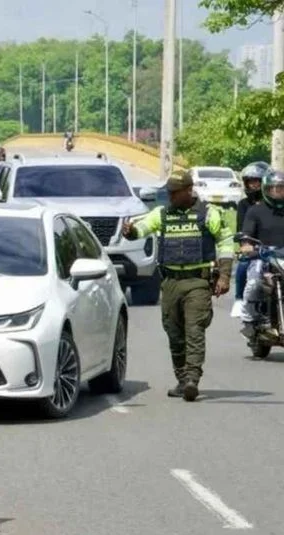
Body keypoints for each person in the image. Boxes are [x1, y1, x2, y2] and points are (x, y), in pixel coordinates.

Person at [121, 169, 234, 401]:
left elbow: (225, 242)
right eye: (169, 192)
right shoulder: (161, 214)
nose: (171, 196)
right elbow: (141, 229)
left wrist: (224, 276)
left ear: (189, 190)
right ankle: (182, 379)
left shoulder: (209, 214)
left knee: (194, 329)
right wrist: (130, 231)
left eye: (175, 192)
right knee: (174, 333)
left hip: (197, 282)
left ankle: (192, 379)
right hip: (171, 282)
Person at [238, 169, 284, 334]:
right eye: (272, 189)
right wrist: (247, 245)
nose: (276, 192)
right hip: (263, 257)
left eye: (280, 188)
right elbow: (246, 235)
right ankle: (249, 319)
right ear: (265, 190)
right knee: (254, 282)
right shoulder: (255, 211)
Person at [233, 162, 271, 316]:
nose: (253, 185)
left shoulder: (275, 204)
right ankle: (239, 300)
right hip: (255, 247)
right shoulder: (243, 204)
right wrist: (245, 244)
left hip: (276, 247)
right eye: (250, 181)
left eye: (257, 181)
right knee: (243, 265)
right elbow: (241, 230)